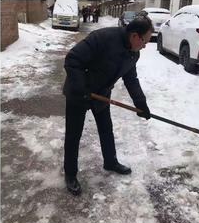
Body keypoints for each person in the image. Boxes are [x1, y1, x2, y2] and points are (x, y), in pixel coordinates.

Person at [62, 17, 153, 195]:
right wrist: (81, 87)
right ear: (135, 36)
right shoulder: (102, 38)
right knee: (74, 135)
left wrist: (141, 105)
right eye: (145, 41)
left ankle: (110, 162)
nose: (145, 46)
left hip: (101, 95)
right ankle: (70, 174)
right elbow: (72, 59)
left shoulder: (133, 53)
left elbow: (131, 79)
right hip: (78, 94)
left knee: (106, 129)